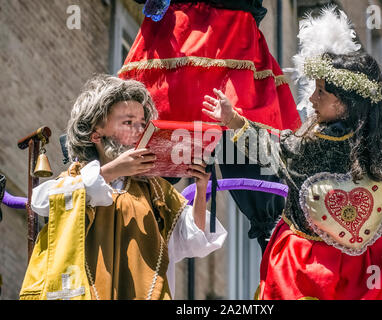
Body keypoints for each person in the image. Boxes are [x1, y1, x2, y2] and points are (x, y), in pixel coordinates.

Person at [202, 51, 382, 300]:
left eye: (321, 92)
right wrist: (232, 119)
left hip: (378, 262)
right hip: (312, 262)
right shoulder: (305, 143)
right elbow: (268, 146)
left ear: (347, 100)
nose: (311, 98)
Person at [19, 75, 227, 300]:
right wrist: (112, 171)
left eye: (142, 124)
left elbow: (193, 240)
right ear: (96, 134)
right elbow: (41, 203)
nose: (138, 131)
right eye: (128, 123)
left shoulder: (156, 191)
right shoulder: (76, 179)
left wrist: (200, 185)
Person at [119, 0, 302, 252]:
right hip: (180, 45)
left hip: (232, 43)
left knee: (256, 160)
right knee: (142, 174)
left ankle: (279, 271)